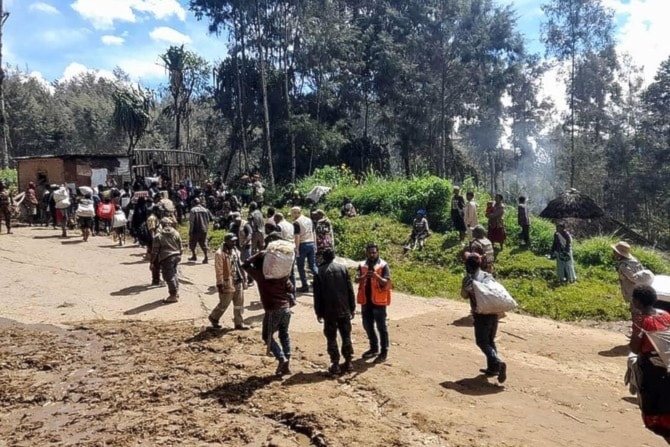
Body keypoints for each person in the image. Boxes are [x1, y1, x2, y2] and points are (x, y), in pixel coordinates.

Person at [629, 285, 670, 444]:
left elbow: (634, 348)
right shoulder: (665, 315)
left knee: (659, 415)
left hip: (655, 374)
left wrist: (635, 325)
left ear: (637, 302)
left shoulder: (641, 321)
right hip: (666, 366)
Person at [243, 251, 294, 377]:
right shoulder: (280, 275)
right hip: (286, 309)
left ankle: (281, 358)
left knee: (267, 336)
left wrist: (258, 254)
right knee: (284, 334)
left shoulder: (261, 276)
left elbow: (245, 264)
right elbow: (290, 288)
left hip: (273, 310)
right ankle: (286, 364)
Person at [460, 252, 507, 383]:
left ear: (468, 267)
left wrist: (465, 287)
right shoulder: (487, 276)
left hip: (481, 315)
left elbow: (464, 295)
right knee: (490, 340)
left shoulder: (469, 280)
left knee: (482, 342)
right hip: (494, 313)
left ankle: (498, 362)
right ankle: (492, 368)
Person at [314, 248, 356, 375]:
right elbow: (350, 290)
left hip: (328, 311)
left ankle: (335, 364)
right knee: (346, 335)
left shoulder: (319, 272)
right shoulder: (343, 269)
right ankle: (348, 362)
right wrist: (352, 308)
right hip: (344, 309)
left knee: (331, 337)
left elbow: (318, 296)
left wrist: (318, 312)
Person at [355, 243, 392, 364]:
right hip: (366, 301)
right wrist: (365, 276)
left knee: (382, 327)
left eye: (374, 252)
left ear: (378, 253)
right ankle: (373, 347)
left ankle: (384, 351)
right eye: (370, 252)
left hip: (379, 302)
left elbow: (387, 283)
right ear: (367, 253)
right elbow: (356, 279)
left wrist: (376, 276)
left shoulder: (383, 265)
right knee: (367, 325)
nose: (372, 255)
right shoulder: (362, 265)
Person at [209, 233, 248, 330]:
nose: (234, 243)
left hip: (237, 280)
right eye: (232, 241)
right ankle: (214, 317)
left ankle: (239, 323)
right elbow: (219, 270)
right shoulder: (219, 253)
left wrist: (244, 278)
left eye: (235, 241)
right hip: (227, 282)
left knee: (239, 304)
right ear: (226, 241)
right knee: (224, 303)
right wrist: (220, 284)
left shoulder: (235, 250)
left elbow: (240, 265)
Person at [151, 217, 183, 303]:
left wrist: (152, 262)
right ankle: (176, 292)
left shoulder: (158, 236)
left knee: (169, 276)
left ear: (161, 225)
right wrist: (179, 255)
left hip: (166, 258)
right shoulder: (176, 233)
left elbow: (154, 252)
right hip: (176, 256)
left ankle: (173, 295)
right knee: (174, 273)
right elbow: (181, 246)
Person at [291, 206, 318, 293]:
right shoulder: (309, 220)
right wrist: (315, 244)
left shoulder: (296, 222)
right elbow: (314, 232)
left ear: (296, 213)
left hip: (302, 244)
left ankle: (304, 285)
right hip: (311, 243)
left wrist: (297, 249)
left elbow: (297, 236)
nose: (292, 215)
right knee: (312, 265)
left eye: (293, 213)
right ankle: (321, 281)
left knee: (300, 266)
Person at [612, 241, 647, 305]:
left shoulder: (624, 266)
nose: (613, 253)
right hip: (640, 290)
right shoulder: (634, 260)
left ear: (619, 253)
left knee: (635, 309)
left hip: (632, 291)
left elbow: (633, 279)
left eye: (614, 251)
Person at [188, 198, 211, 264]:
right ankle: (206, 257)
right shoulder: (205, 210)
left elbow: (192, 221)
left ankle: (194, 255)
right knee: (203, 243)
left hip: (196, 229)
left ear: (194, 203)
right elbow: (208, 220)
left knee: (192, 243)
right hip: (204, 229)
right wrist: (206, 228)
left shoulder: (193, 210)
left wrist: (191, 231)